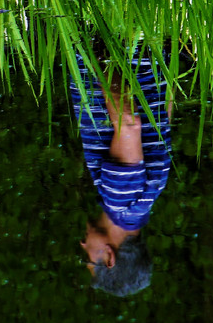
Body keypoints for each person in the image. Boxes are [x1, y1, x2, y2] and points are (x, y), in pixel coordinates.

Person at [71, 42, 172, 296]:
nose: (83, 245)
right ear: (109, 257)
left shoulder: (149, 197)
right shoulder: (121, 201)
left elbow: (166, 111)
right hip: (118, 41)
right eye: (89, 257)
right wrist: (98, 53)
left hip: (143, 48)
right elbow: (128, 123)